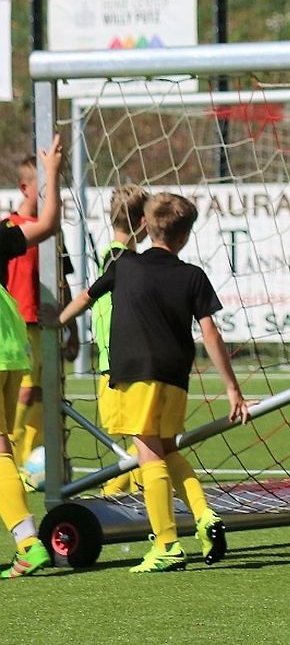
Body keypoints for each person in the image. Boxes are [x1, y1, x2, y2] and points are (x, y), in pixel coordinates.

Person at [60, 192, 247, 572]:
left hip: (136, 372)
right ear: (185, 235)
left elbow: (86, 297)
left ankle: (166, 545)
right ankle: (204, 514)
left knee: (148, 455)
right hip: (176, 376)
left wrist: (57, 322)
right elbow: (210, 333)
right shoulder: (193, 275)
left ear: (146, 225)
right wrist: (232, 387)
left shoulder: (125, 265)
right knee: (167, 449)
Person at [0, 136, 62, 578]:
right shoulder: (1, 233)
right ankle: (26, 542)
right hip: (11, 344)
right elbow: (49, 224)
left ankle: (27, 541)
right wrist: (52, 173)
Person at [6, 155, 79, 474]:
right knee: (24, 391)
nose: (50, 194)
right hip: (15, 327)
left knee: (44, 393)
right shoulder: (9, 229)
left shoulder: (53, 236)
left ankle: (33, 462)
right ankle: (10, 451)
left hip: (46, 325)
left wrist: (72, 328)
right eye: (44, 188)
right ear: (25, 188)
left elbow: (63, 283)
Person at [95, 185, 150, 496]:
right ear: (143, 222)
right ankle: (113, 493)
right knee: (146, 437)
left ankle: (123, 491)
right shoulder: (119, 259)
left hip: (120, 360)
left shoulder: (118, 256)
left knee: (146, 435)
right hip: (119, 362)